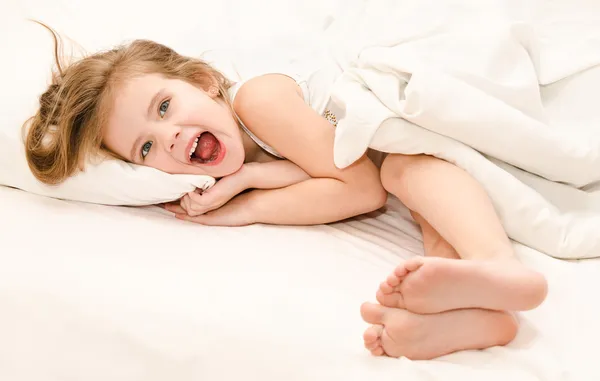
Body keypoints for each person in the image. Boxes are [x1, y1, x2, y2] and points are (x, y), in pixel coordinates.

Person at [24, 22, 548, 360]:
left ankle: (499, 265)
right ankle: (469, 311)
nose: (172, 136)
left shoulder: (257, 100)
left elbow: (361, 187)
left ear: (206, 81)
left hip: (429, 108)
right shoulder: (244, 147)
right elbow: (327, 171)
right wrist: (250, 176)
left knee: (406, 170)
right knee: (424, 212)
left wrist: (246, 203)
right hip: (396, 159)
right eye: (146, 148)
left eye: (165, 107)